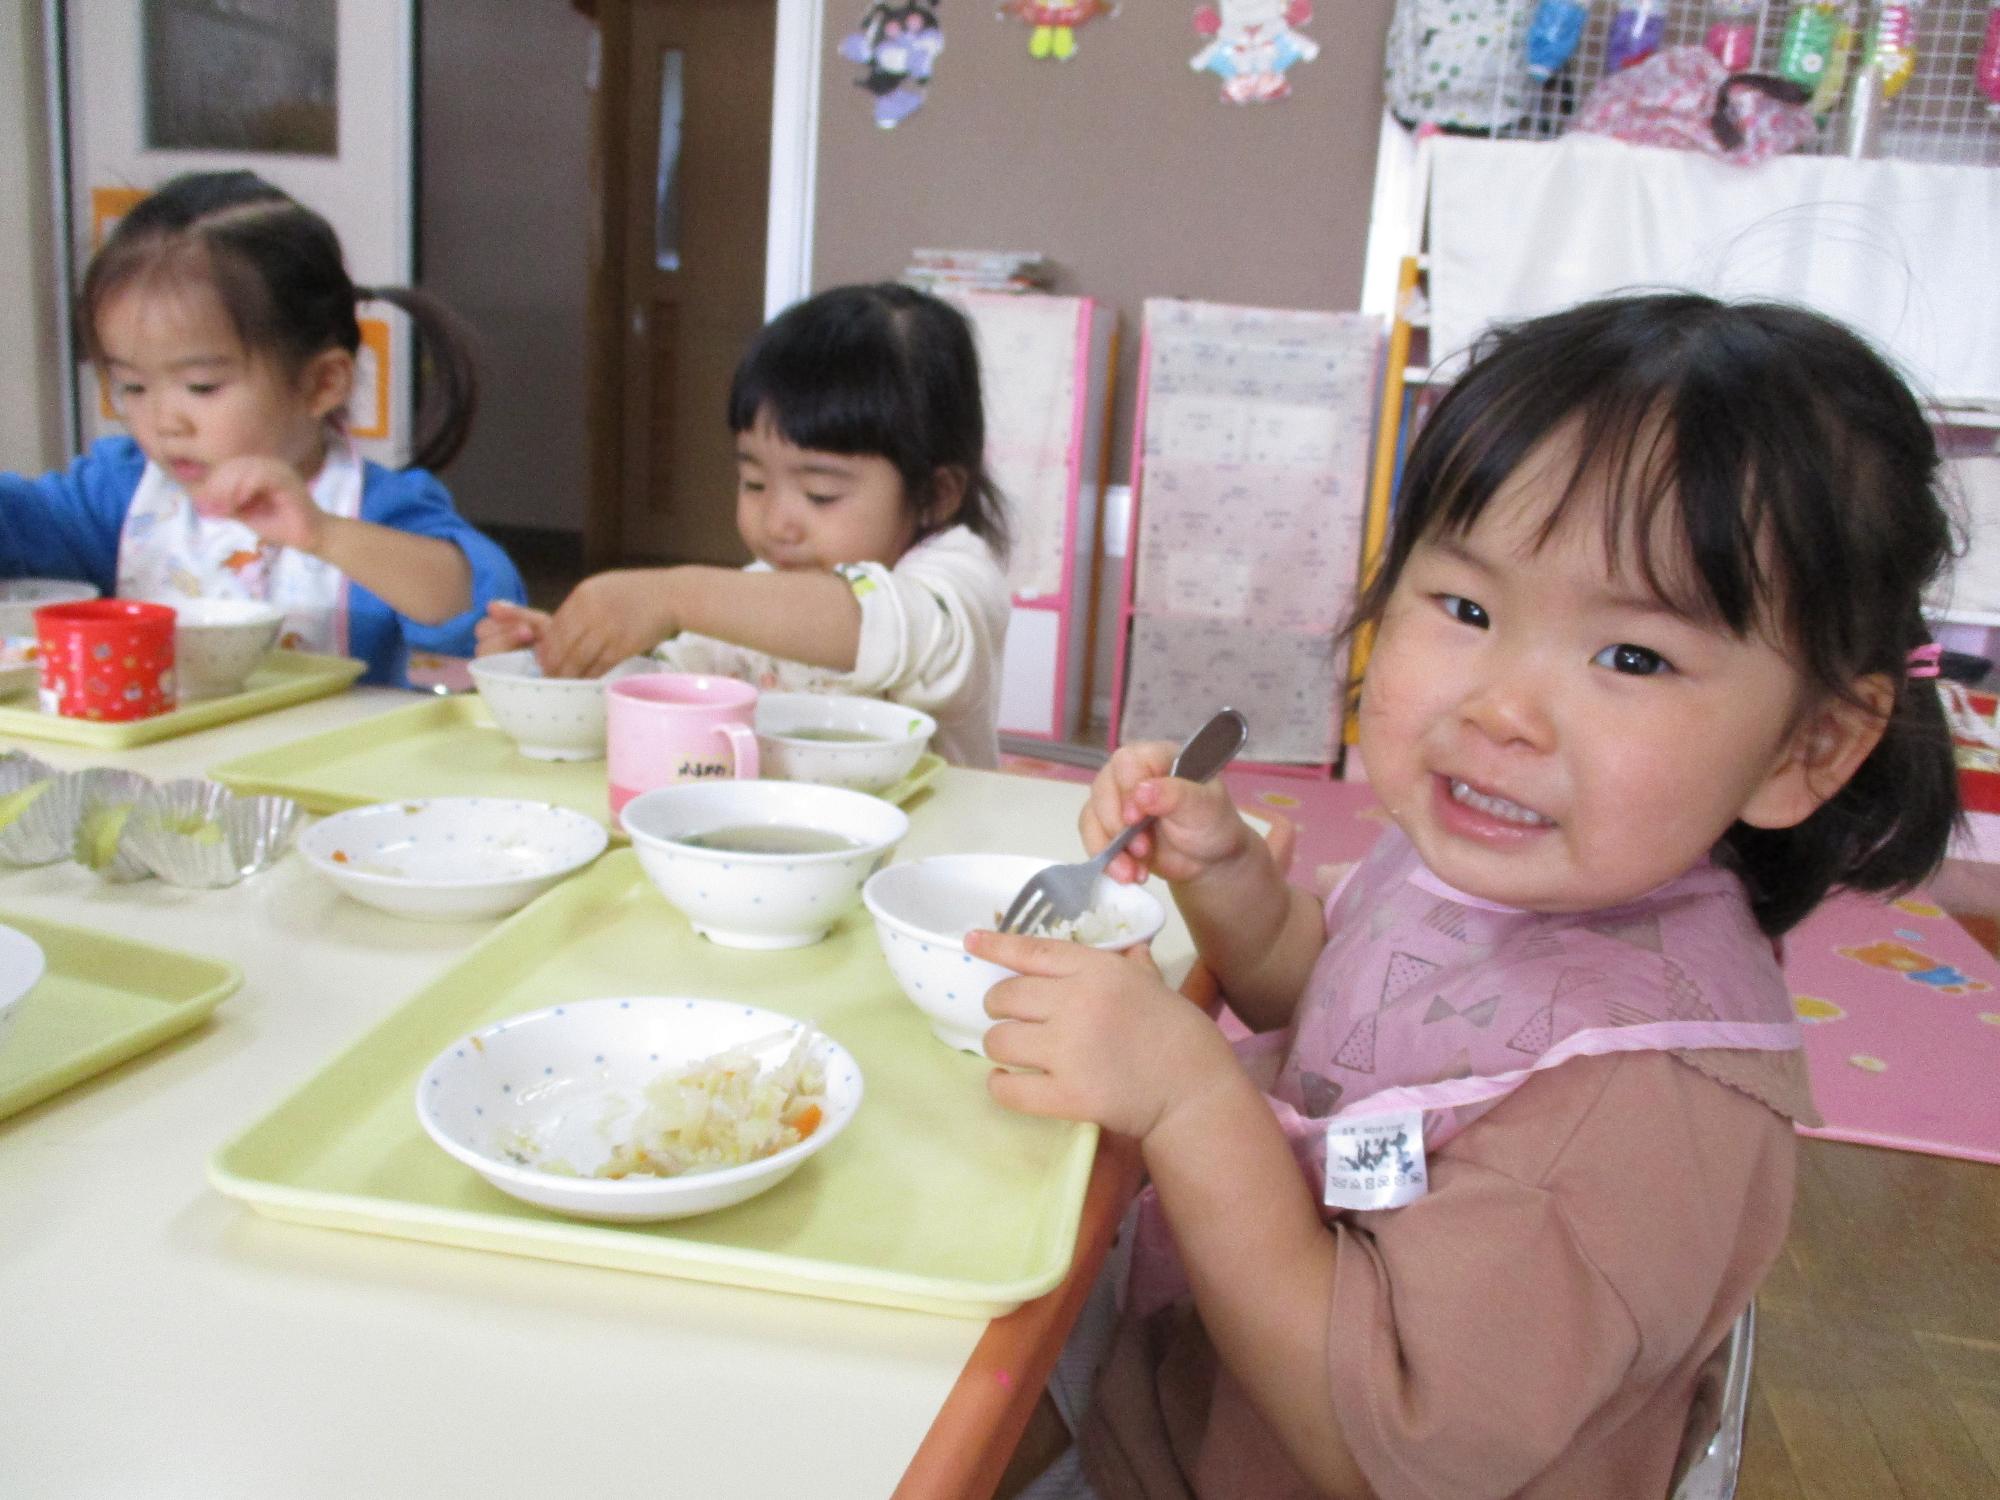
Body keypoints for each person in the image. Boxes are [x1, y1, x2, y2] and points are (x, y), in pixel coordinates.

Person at [972, 294, 1960, 1499]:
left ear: (1806, 746)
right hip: (1182, 1399)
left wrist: (1185, 1099)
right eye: (1467, 609)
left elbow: (1376, 1438)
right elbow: (1345, 996)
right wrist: (1231, 879)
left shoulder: (1636, 1105)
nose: (1499, 708)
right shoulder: (1488, 857)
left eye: (1631, 657)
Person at [0, 170, 525, 688]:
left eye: (202, 387)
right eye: (133, 388)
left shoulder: (373, 507)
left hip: (319, 770)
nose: (164, 422)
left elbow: (478, 601)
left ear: (322, 383)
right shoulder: (119, 493)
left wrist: (324, 533)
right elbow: (18, 526)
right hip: (167, 768)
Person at [476, 282, 1012, 767]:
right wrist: (568, 654)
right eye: (754, 482)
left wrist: (673, 594)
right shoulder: (759, 591)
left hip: (927, 856)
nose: (777, 522)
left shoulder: (957, 578)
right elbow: (668, 688)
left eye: (821, 494)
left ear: (935, 495)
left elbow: (894, 629)